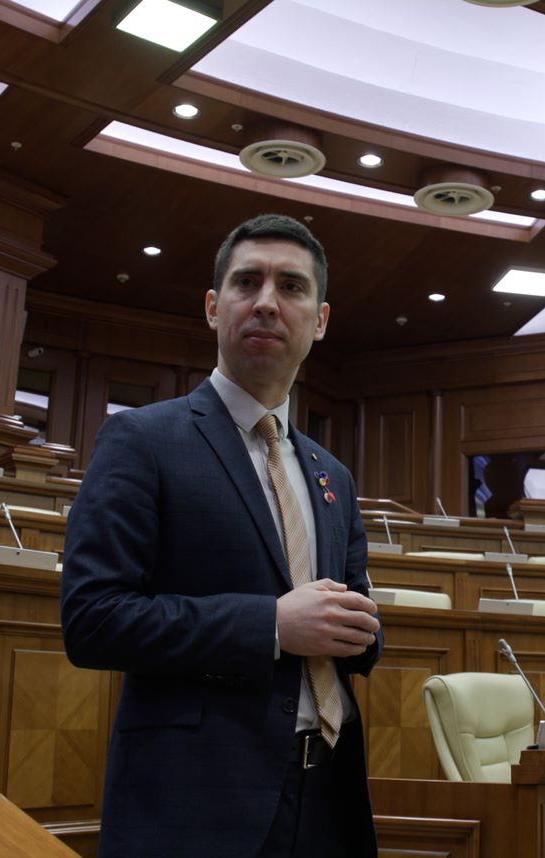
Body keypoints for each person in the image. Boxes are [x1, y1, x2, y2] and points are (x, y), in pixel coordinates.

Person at [61, 214, 383, 857]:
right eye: (247, 282)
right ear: (214, 307)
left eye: (291, 287)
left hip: (328, 796)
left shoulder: (333, 476)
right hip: (197, 802)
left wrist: (359, 628)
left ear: (319, 321)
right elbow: (92, 619)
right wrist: (269, 624)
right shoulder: (142, 440)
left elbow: (354, 626)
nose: (267, 301)